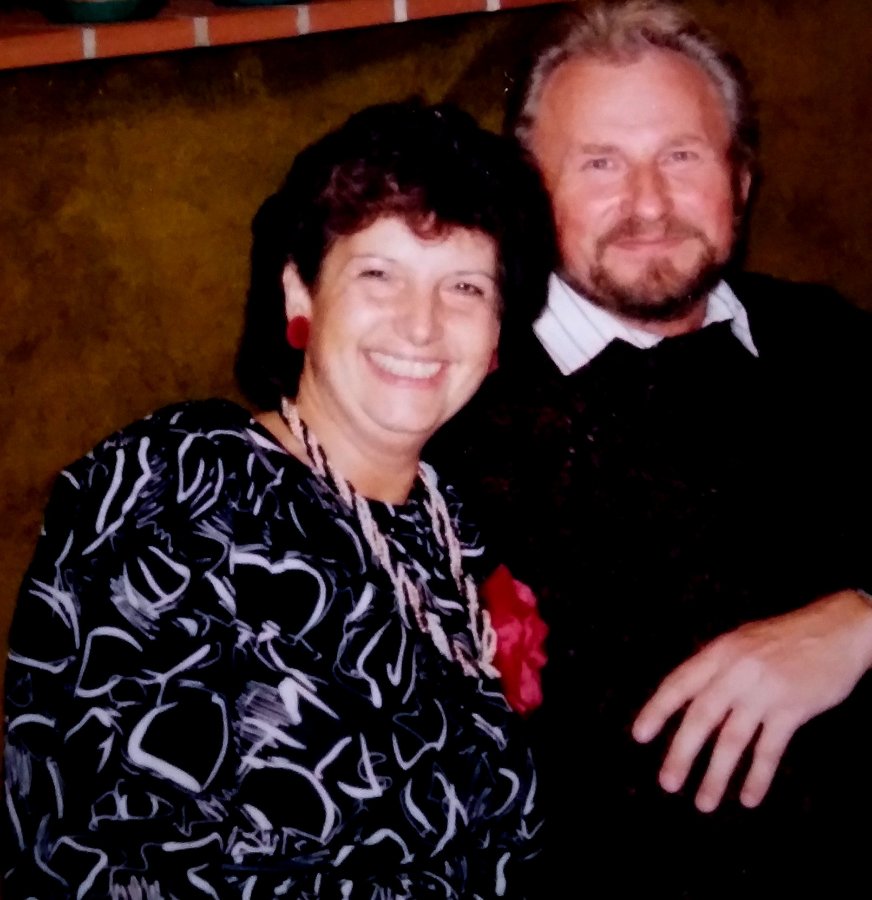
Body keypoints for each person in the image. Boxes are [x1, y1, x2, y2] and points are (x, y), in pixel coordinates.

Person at [2, 99, 552, 899]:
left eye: (464, 286)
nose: (422, 326)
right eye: (379, 274)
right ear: (300, 293)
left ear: (498, 330)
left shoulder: (451, 525)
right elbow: (112, 853)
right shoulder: (183, 487)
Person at [433, 1, 872, 894]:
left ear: (740, 179)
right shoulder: (459, 412)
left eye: (682, 156)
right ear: (529, 194)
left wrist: (864, 621)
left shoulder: (827, 339)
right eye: (600, 163)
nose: (648, 205)